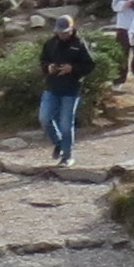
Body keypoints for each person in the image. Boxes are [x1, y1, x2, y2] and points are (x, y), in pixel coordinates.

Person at [37, 18, 93, 167]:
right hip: (52, 87)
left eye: (65, 32)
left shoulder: (79, 45)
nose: (62, 35)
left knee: (66, 124)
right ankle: (59, 143)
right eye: (59, 32)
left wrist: (72, 69)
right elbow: (43, 60)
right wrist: (48, 67)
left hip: (71, 89)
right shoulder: (50, 44)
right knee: (44, 118)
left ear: (71, 29)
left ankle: (67, 156)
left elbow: (89, 65)